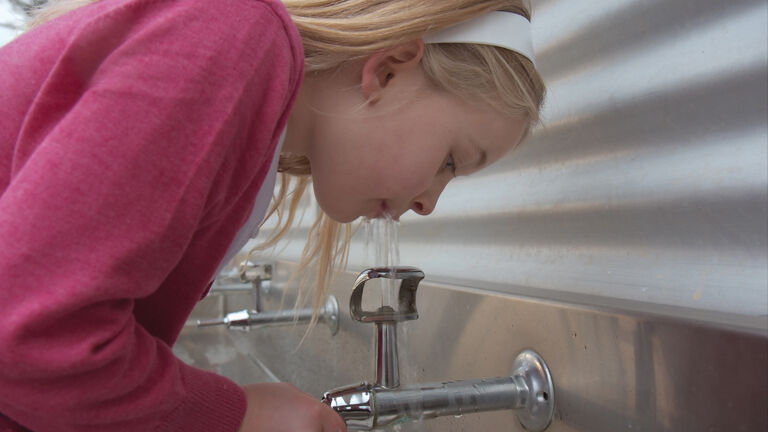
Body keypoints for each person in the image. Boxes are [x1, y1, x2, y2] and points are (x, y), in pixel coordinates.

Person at [0, 0, 545, 430]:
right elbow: (30, 333)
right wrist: (231, 416)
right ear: (388, 72)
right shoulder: (233, 35)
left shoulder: (252, 123)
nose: (429, 203)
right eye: (451, 160)